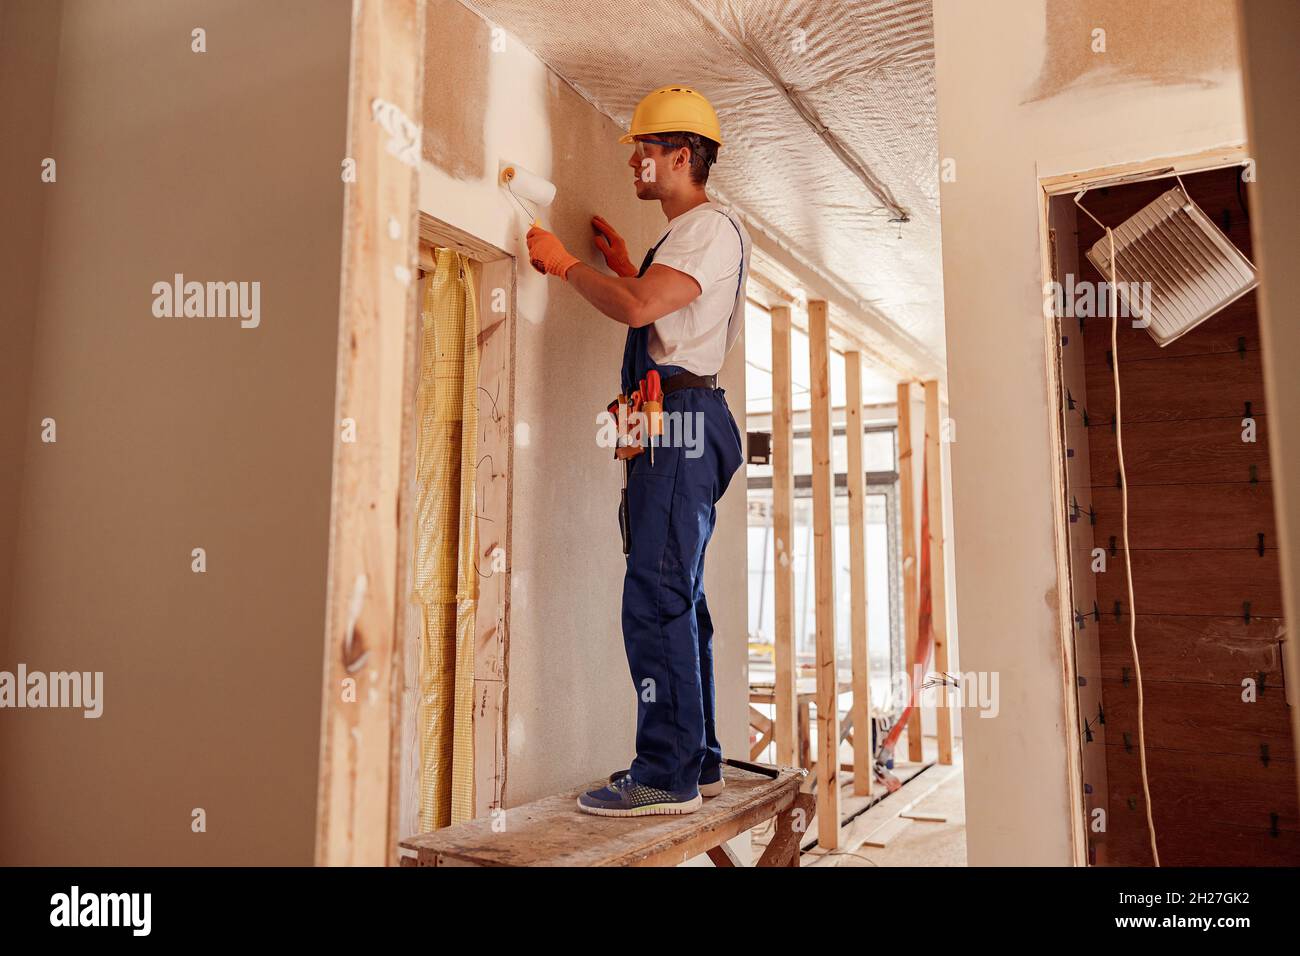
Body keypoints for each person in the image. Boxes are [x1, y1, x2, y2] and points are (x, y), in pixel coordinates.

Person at [525, 84, 751, 817]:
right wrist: (627, 264)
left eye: (646, 152)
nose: (634, 163)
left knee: (656, 596)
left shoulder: (707, 229)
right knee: (678, 595)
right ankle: (701, 760)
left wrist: (564, 264)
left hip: (682, 422)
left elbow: (638, 308)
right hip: (681, 421)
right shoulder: (690, 234)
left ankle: (665, 775)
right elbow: (652, 301)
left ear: (682, 157)